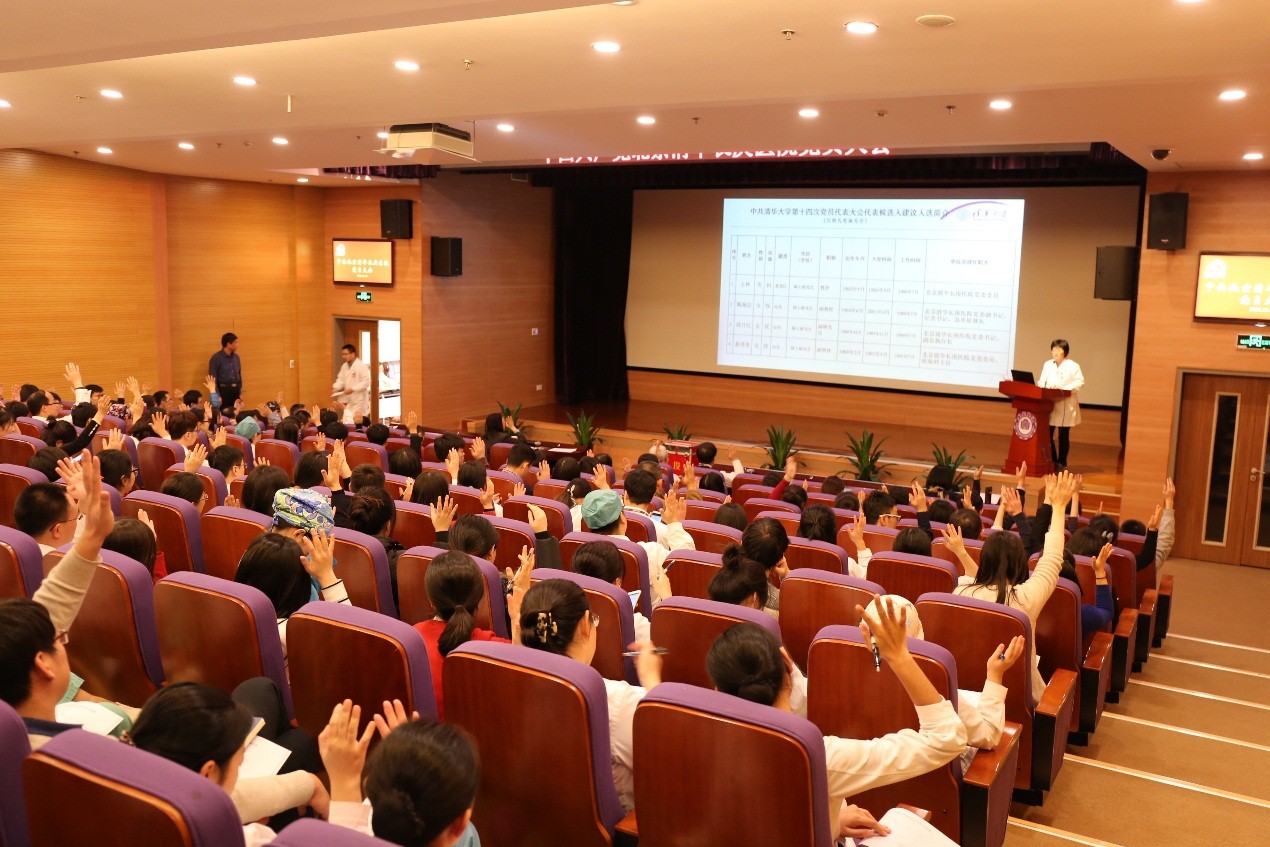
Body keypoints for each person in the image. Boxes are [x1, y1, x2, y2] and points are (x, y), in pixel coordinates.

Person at [705, 602, 968, 841]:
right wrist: (899, 657)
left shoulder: (699, 745)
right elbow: (945, 739)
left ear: (717, 689)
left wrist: (830, 821)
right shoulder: (819, 757)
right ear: (787, 663)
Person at [125, 682, 370, 845]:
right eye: (239, 762)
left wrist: (309, 784)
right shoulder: (249, 838)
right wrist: (345, 783)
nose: (240, 767)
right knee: (298, 741)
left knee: (290, 731)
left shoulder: (125, 784)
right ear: (209, 773)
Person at [517, 578, 663, 813]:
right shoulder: (612, 701)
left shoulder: (509, 685)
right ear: (585, 624)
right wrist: (653, 682)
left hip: (538, 817)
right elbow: (669, 755)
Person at [954, 471, 1078, 700]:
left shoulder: (960, 592)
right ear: (1020, 563)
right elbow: (1052, 558)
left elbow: (975, 580)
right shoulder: (1025, 598)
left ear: (985, 560)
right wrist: (1059, 507)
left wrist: (961, 553)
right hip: (1020, 702)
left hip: (966, 696)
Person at [324, 703, 483, 847]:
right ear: (460, 824)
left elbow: (346, 839)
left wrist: (345, 783)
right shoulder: (466, 835)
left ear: (368, 785)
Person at [412, 549, 526, 719]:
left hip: (422, 732)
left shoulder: (413, 638)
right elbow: (527, 675)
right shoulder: (493, 648)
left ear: (431, 600)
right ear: (479, 598)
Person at [579, 489, 691, 605]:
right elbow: (685, 563)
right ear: (622, 518)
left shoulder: (580, 554)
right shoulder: (649, 552)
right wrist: (674, 523)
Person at [1037, 338, 1084, 470]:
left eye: (1058, 349)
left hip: (1065, 404)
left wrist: (1063, 389)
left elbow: (1079, 383)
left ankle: (1062, 462)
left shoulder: (1073, 366)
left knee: (1063, 435)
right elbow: (1041, 381)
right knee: (1048, 434)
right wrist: (1044, 387)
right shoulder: (1048, 364)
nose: (1055, 352)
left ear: (1065, 352)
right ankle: (1052, 460)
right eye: (1053, 349)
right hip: (1050, 404)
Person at [332, 344, 372, 426]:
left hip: (360, 400)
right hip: (350, 401)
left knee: (357, 422)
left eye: (345, 354)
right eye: (342, 354)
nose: (343, 356)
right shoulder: (344, 366)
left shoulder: (361, 366)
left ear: (353, 354)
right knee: (347, 421)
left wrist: (353, 389)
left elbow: (366, 382)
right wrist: (336, 387)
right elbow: (341, 379)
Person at [208, 333, 243, 415]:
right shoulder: (216, 358)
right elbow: (213, 378)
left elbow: (239, 375)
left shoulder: (236, 357)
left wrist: (240, 392)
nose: (237, 345)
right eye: (235, 342)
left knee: (236, 413)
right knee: (224, 414)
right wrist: (217, 395)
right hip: (223, 390)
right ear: (228, 344)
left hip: (235, 390)